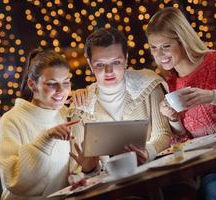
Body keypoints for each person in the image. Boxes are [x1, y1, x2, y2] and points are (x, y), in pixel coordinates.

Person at [146, 7, 216, 200]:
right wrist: (173, 119)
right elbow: (183, 142)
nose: (159, 54)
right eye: (153, 47)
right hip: (214, 169)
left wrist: (213, 96)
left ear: (182, 41)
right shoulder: (171, 82)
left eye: (165, 46)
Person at [69, 27, 172, 174]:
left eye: (116, 62)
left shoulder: (149, 83)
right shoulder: (80, 106)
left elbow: (163, 133)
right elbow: (75, 167)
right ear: (90, 64)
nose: (108, 71)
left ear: (126, 59)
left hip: (155, 173)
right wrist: (88, 168)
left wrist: (147, 152)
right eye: (100, 64)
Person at [0, 49, 78, 200]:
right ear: (32, 85)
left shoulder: (66, 113)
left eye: (66, 83)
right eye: (52, 84)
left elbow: (79, 166)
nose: (61, 91)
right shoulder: (11, 120)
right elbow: (14, 180)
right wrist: (45, 140)